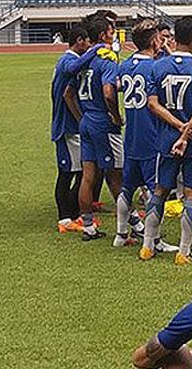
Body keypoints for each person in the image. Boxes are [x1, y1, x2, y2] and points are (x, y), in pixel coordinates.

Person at [141, 16, 192, 265]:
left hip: (165, 139)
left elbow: (152, 103)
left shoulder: (157, 67)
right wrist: (186, 130)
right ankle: (184, 252)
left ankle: (147, 246)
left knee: (159, 190)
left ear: (174, 38)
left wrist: (177, 127)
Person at [116, 18, 177, 254]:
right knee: (156, 191)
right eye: (160, 38)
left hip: (131, 135)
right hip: (152, 136)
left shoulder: (126, 65)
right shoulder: (155, 67)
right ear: (153, 40)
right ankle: (154, 240)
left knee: (127, 188)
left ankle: (121, 234)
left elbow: (114, 89)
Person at [66, 16, 125, 241]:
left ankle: (88, 225)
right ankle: (130, 225)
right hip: (103, 123)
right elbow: (109, 92)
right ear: (103, 35)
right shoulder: (106, 59)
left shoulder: (84, 60)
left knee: (88, 176)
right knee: (116, 176)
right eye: (112, 31)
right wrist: (116, 115)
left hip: (87, 121)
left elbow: (68, 93)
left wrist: (82, 117)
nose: (114, 34)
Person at [51, 25, 90, 233]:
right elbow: (67, 93)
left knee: (80, 171)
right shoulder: (67, 60)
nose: (89, 46)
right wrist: (80, 119)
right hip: (66, 127)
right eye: (88, 42)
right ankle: (64, 218)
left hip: (72, 126)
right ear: (80, 40)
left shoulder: (69, 60)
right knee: (66, 172)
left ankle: (74, 215)